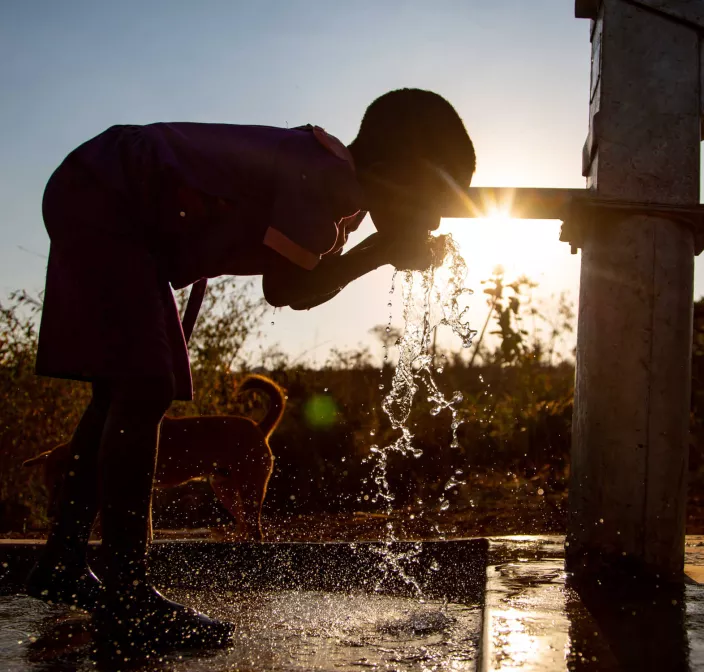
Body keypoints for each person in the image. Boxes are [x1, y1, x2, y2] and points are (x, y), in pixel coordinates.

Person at [25, 88, 476, 659]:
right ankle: (128, 596)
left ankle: (63, 560)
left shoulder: (332, 184)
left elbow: (294, 279)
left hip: (101, 184)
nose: (434, 217)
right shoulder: (323, 180)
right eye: (433, 198)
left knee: (122, 387)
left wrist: (379, 245)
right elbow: (288, 291)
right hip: (110, 189)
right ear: (392, 173)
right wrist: (384, 249)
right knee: (144, 388)